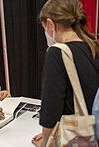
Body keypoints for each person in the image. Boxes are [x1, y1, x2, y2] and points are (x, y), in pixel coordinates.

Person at [32, 0, 99, 146]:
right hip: (93, 132)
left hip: (75, 136)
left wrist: (47, 140)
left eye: (44, 27)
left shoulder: (57, 53)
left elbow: (52, 106)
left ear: (50, 24)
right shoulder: (93, 47)